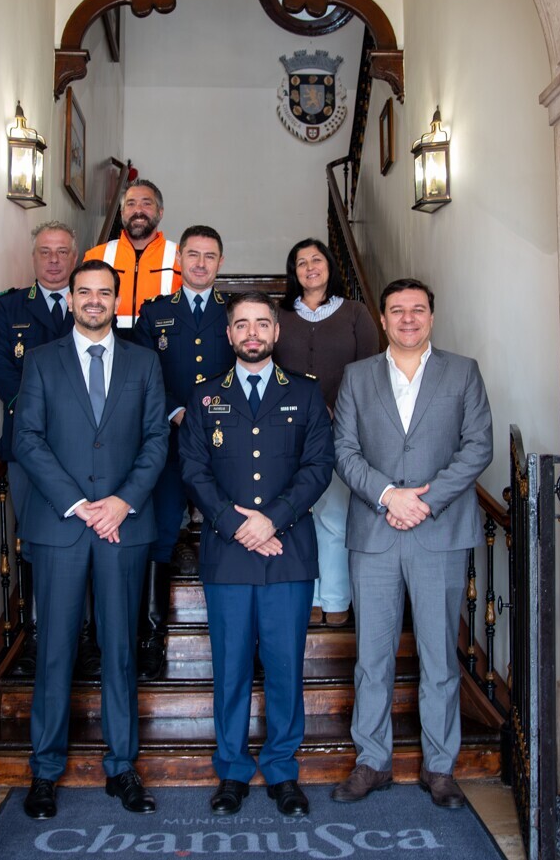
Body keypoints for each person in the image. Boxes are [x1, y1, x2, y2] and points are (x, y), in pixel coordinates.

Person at [12, 259, 169, 821]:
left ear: (117, 300)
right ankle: (45, 770)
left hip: (123, 525)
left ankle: (122, 766)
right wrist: (78, 504)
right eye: (85, 292)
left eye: (104, 292)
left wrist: (122, 501)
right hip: (61, 525)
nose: (95, 300)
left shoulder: (144, 362)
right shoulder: (41, 360)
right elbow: (27, 438)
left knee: (120, 649)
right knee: (55, 648)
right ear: (72, 299)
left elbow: (156, 439)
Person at [329, 278, 493, 811]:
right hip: (375, 533)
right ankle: (372, 761)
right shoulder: (356, 376)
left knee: (439, 657)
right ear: (382, 320)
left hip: (439, 532)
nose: (407, 318)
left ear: (431, 317)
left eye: (417, 310)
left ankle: (440, 767)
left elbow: (478, 446)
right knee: (372, 657)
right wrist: (387, 496)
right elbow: (344, 449)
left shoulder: (462, 372)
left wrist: (426, 501)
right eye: (397, 310)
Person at [178, 292, 334, 818]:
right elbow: (193, 470)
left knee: (286, 667)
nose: (252, 333)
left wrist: (273, 519)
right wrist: (237, 524)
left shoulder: (306, 394)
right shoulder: (205, 397)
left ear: (276, 331)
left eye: (262, 323)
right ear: (228, 334)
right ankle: (232, 770)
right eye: (242, 324)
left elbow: (318, 467)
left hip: (288, 552)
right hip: (228, 554)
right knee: (231, 668)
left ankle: (283, 770)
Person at [130, 224, 232, 679]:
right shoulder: (156, 312)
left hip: (224, 443)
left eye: (210, 256)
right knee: (161, 531)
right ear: (178, 260)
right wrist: (174, 410)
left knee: (230, 530)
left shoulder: (235, 312)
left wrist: (217, 415)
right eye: (193, 254)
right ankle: (151, 638)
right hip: (168, 440)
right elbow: (142, 372)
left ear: (220, 262)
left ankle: (237, 639)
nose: (201, 263)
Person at [0, 221, 77, 676]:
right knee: (33, 541)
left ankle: (82, 634)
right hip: (26, 447)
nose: (54, 260)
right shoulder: (9, 306)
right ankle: (37, 633)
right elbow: (0, 368)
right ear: (34, 257)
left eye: (62, 251)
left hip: (80, 449)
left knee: (81, 540)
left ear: (75, 257)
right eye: (45, 251)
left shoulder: (90, 302)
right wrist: (37, 416)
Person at [274, 237, 379, 628]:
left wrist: (337, 408)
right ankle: (307, 596)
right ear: (294, 272)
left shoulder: (355, 313)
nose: (310, 267)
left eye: (316, 259)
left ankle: (333, 597)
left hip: (341, 429)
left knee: (333, 513)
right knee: (293, 515)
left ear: (330, 266)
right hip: (287, 431)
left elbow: (370, 371)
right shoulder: (279, 315)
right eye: (301, 262)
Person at [84, 179, 180, 335]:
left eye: (146, 203)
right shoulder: (96, 256)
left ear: (160, 212)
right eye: (131, 204)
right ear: (122, 213)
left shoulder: (180, 257)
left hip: (163, 344)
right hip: (110, 344)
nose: (138, 210)